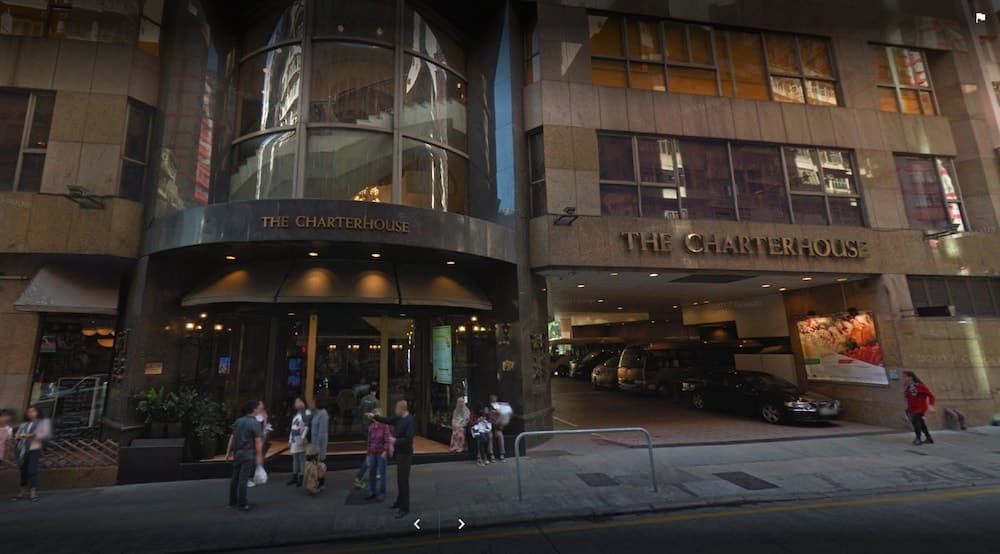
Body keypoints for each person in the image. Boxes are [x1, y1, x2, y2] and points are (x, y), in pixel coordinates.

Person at [370, 399, 414, 518]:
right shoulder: (399, 418)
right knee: (400, 480)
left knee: (403, 481)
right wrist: (375, 417)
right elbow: (388, 420)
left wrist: (395, 441)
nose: (395, 410)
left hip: (406, 455)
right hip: (399, 453)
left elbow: (409, 439)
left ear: (402, 409)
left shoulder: (409, 420)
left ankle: (405, 508)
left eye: (396, 408)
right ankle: (399, 502)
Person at [226, 400, 263, 511]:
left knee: (235, 478)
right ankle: (242, 503)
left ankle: (232, 501)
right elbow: (258, 441)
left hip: (237, 453)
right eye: (259, 407)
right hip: (247, 454)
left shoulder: (238, 421)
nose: (260, 409)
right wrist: (259, 455)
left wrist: (228, 452)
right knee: (243, 479)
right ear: (254, 409)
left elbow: (232, 437)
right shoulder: (255, 423)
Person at [12, 405, 50, 501]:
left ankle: (33, 492)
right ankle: (22, 491)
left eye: (33, 411)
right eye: (29, 412)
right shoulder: (24, 424)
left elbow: (44, 434)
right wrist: (18, 436)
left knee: (32, 470)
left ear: (38, 412)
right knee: (23, 471)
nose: (31, 413)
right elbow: (17, 435)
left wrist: (29, 435)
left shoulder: (42, 423)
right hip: (23, 450)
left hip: (35, 449)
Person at [353, 386, 381, 489]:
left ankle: (373, 471)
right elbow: (377, 416)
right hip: (372, 427)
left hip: (364, 426)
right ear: (375, 391)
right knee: (372, 453)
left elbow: (359, 411)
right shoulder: (376, 401)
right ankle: (373, 473)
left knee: (371, 450)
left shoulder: (363, 399)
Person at [361, 407, 391, 501]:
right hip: (372, 453)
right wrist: (368, 455)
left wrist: (385, 451)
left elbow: (387, 440)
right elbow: (369, 442)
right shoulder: (371, 427)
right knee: (372, 473)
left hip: (381, 453)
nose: (377, 417)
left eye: (379, 415)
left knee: (382, 473)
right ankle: (372, 491)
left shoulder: (385, 426)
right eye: (376, 415)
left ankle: (382, 493)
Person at [903, 371, 936, 445]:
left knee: (916, 422)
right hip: (912, 408)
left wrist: (931, 405)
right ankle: (929, 438)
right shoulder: (908, 387)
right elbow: (908, 398)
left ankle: (918, 438)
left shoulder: (920, 386)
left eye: (905, 377)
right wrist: (908, 409)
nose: (904, 379)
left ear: (911, 377)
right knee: (921, 423)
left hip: (920, 407)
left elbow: (931, 396)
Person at [286, 397, 311, 487]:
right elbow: (292, 428)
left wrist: (303, 437)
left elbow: (307, 426)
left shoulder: (307, 412)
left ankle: (302, 476)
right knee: (295, 458)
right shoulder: (296, 414)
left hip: (300, 438)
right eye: (296, 402)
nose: (296, 403)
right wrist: (290, 439)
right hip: (294, 438)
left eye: (298, 401)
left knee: (301, 458)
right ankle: (295, 476)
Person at [310, 396, 330, 490]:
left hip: (319, 443)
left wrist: (318, 446)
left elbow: (322, 431)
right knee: (315, 463)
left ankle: (320, 483)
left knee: (320, 463)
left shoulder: (323, 414)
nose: (312, 404)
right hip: (314, 442)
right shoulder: (316, 413)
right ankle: (315, 481)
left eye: (313, 402)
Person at [488, 394, 513, 462]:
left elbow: (503, 420)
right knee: (490, 437)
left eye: (495, 400)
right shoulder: (489, 409)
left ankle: (502, 454)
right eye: (492, 400)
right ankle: (491, 455)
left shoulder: (500, 408)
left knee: (500, 436)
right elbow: (488, 421)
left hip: (497, 428)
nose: (494, 401)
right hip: (490, 429)